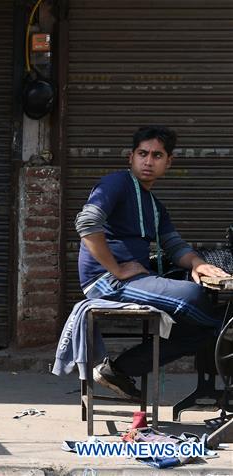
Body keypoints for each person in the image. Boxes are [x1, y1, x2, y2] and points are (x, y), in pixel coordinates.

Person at [75, 125, 229, 399]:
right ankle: (224, 329)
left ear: (168, 162)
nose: (148, 161)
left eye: (157, 155)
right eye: (142, 153)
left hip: (135, 278)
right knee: (193, 297)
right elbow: (87, 224)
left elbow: (174, 246)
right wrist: (117, 268)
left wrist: (196, 263)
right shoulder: (116, 183)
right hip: (106, 281)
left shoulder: (155, 206)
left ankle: (118, 370)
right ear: (130, 157)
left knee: (203, 332)